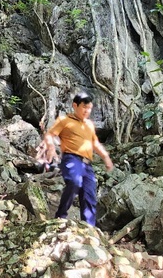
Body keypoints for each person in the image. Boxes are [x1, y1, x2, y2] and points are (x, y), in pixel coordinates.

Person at [40, 91, 114, 226]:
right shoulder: (64, 120)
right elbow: (50, 135)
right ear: (75, 105)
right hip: (71, 159)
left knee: (89, 194)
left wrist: (106, 157)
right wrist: (51, 148)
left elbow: (95, 143)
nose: (87, 111)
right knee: (75, 182)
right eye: (84, 107)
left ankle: (89, 227)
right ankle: (61, 216)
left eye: (89, 108)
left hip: (88, 164)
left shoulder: (89, 125)